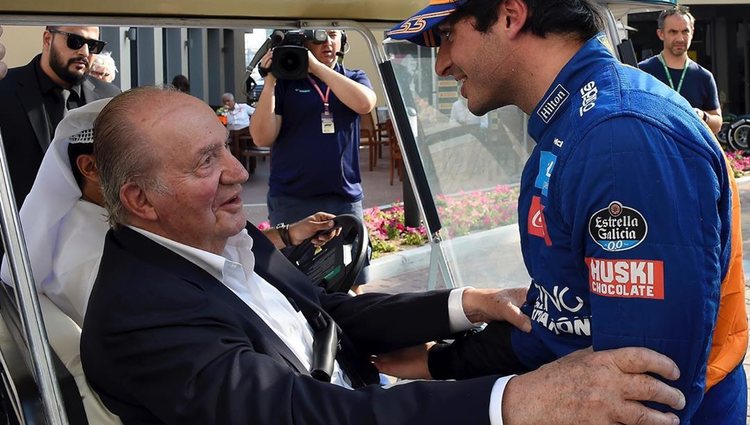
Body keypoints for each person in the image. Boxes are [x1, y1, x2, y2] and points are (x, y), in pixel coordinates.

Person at [79, 86, 685, 425]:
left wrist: (466, 304)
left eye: (227, 149)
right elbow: (302, 414)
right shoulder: (138, 317)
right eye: (206, 162)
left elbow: (330, 312)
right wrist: (518, 402)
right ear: (140, 200)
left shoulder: (218, 240)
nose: (239, 171)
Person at [384, 0, 746, 424]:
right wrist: (440, 362)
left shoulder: (618, 136)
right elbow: (561, 320)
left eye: (447, 37)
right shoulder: (578, 123)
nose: (442, 65)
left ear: (510, 16)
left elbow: (640, 395)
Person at [0, 95, 336, 327]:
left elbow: (211, 247)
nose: (238, 174)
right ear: (90, 166)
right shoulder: (92, 260)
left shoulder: (124, 220)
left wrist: (290, 234)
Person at [250, 29, 376, 293]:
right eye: (317, 36)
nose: (327, 42)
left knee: (351, 280)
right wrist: (272, 79)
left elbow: (365, 104)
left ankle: (354, 329)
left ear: (343, 40)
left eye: (332, 34)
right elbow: (262, 136)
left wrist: (317, 68)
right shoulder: (284, 83)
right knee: (293, 281)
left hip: (343, 196)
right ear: (305, 42)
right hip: (292, 198)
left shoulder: (352, 77)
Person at [0, 26, 120, 208]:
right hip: (18, 227)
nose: (85, 52)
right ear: (48, 39)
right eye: (75, 41)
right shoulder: (5, 89)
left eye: (93, 45)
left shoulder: (109, 98)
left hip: (89, 229)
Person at [638, 7, 722, 134]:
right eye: (673, 32)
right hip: (655, 150)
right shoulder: (642, 72)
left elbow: (717, 124)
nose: (680, 39)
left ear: (692, 32)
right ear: (661, 34)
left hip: (691, 151)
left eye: (685, 31)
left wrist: (702, 116)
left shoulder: (704, 76)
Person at [219, 92, 255, 162]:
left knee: (236, 136)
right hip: (232, 132)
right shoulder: (223, 111)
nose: (226, 103)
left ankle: (239, 159)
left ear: (233, 100)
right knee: (233, 135)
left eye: (228, 101)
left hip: (245, 130)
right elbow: (222, 123)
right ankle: (238, 160)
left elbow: (256, 113)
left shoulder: (243, 107)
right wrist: (223, 113)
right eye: (224, 101)